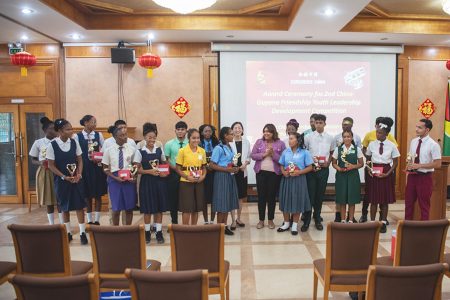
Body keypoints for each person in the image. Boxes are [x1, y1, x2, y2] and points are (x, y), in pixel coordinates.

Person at [46, 119, 87, 244]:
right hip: (62, 180)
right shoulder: (52, 145)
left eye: (71, 128)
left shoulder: (74, 142)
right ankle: (68, 232)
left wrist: (79, 173)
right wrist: (64, 176)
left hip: (75, 179)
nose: (71, 131)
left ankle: (82, 233)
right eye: (68, 129)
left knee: (80, 206)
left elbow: (80, 160)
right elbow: (51, 165)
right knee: (65, 207)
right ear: (59, 131)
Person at [134, 123, 168, 244]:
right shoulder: (139, 151)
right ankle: (147, 232)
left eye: (154, 137)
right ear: (144, 137)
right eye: (149, 137)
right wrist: (150, 171)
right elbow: (137, 170)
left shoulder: (159, 149)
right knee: (148, 209)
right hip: (147, 182)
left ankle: (158, 232)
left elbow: (164, 164)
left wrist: (164, 172)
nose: (152, 140)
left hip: (159, 182)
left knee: (159, 208)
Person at [360, 117, 398, 223]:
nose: (378, 134)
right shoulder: (372, 144)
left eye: (380, 133)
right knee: (373, 199)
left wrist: (387, 174)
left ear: (386, 134)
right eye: (377, 132)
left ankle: (383, 221)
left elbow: (395, 163)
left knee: (384, 200)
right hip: (374, 170)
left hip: (386, 170)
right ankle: (372, 222)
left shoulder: (392, 146)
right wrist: (368, 169)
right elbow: (368, 159)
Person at [303, 114, 335, 232]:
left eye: (321, 122)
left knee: (319, 195)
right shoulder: (308, 137)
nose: (318, 124)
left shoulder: (330, 138)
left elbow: (332, 153)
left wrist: (328, 163)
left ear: (325, 124)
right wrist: (310, 165)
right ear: (314, 124)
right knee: (310, 195)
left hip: (324, 170)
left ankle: (317, 218)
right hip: (311, 170)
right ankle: (306, 220)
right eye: (316, 123)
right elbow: (305, 153)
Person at [405, 119, 441, 220]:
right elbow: (411, 157)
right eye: (416, 127)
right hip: (412, 176)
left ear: (427, 130)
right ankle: (407, 227)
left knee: (424, 205)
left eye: (420, 128)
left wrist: (419, 166)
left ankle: (424, 229)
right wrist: (409, 165)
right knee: (408, 203)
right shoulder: (413, 141)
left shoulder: (433, 145)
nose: (416, 129)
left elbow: (438, 164)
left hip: (424, 178)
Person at [251, 124, 286, 229]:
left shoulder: (281, 143)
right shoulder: (259, 142)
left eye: (269, 131)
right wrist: (264, 155)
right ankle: (261, 220)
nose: (266, 133)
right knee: (261, 197)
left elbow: (283, 159)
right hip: (261, 173)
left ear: (273, 133)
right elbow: (253, 155)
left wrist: (272, 154)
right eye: (265, 131)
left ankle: (270, 220)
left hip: (274, 174)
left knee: (271, 197)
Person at [278, 132, 313, 235]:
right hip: (287, 180)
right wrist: (284, 172)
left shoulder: (304, 152)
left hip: (299, 180)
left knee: (297, 201)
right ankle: (286, 223)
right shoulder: (285, 152)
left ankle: (294, 225)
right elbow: (281, 164)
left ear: (298, 140)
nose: (290, 141)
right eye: (289, 139)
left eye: (292, 139)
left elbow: (310, 167)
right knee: (286, 200)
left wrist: (299, 172)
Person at [102, 126, 137, 226]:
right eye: (122, 135)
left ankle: (128, 229)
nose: (125, 137)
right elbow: (105, 168)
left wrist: (134, 176)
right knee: (116, 209)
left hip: (128, 179)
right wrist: (115, 178)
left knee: (129, 208)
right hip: (114, 179)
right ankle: (116, 230)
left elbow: (135, 165)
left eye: (125, 135)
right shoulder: (109, 150)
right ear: (115, 137)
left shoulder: (132, 149)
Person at [75, 115, 107, 225]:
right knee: (86, 195)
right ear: (86, 123)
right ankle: (89, 219)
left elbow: (104, 149)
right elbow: (76, 153)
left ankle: (97, 219)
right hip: (84, 168)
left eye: (95, 122)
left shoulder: (99, 135)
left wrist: (99, 157)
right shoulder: (77, 136)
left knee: (98, 194)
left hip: (96, 167)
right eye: (93, 122)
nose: (95, 124)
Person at [29, 117, 61, 225]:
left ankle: (63, 223)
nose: (54, 130)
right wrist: (40, 162)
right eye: (52, 129)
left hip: (58, 170)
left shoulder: (59, 141)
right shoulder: (38, 142)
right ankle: (51, 224)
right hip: (45, 172)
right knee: (49, 199)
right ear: (45, 130)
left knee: (60, 198)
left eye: (55, 128)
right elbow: (33, 159)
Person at [210, 127, 240, 235]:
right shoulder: (218, 148)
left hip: (230, 177)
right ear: (225, 136)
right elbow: (212, 165)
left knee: (227, 203)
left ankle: (225, 226)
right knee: (221, 204)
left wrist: (234, 168)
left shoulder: (229, 147)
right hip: (221, 177)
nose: (233, 136)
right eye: (231, 134)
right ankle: (219, 228)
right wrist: (227, 169)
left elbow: (229, 162)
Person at [333, 117, 362, 222]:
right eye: (344, 137)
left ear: (352, 137)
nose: (347, 139)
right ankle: (342, 219)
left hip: (353, 176)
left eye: (348, 137)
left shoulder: (357, 149)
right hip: (341, 176)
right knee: (342, 199)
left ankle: (350, 219)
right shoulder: (338, 149)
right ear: (342, 138)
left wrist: (353, 166)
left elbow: (361, 164)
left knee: (352, 199)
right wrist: (339, 168)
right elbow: (334, 163)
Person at [176, 128, 207, 225]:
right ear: (189, 138)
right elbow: (178, 169)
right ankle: (185, 230)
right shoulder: (182, 151)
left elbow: (204, 167)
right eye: (194, 138)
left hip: (198, 182)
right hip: (186, 183)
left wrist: (203, 176)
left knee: (196, 208)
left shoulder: (202, 151)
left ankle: (194, 229)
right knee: (187, 208)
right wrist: (187, 177)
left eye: (198, 138)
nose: (196, 140)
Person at [164, 121, 189, 224]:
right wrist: (175, 168)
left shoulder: (190, 142)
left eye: (182, 129)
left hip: (187, 173)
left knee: (186, 198)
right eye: (178, 129)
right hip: (173, 174)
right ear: (175, 130)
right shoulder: (169, 144)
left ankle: (185, 223)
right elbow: (166, 159)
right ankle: (174, 222)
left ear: (186, 130)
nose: (180, 131)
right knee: (173, 198)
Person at [229, 122, 251, 229]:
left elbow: (248, 157)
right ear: (232, 130)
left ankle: (238, 218)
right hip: (232, 172)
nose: (237, 129)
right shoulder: (229, 142)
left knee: (241, 197)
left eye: (239, 128)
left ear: (242, 130)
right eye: (235, 128)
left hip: (242, 172)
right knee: (233, 195)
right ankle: (233, 220)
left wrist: (245, 164)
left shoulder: (246, 142)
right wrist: (232, 165)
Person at [199, 124, 219, 224]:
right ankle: (206, 220)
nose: (208, 133)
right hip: (203, 173)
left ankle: (212, 220)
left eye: (209, 131)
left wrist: (212, 165)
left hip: (214, 172)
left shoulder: (216, 143)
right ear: (202, 132)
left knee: (214, 197)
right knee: (204, 198)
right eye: (205, 131)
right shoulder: (198, 143)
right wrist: (204, 166)